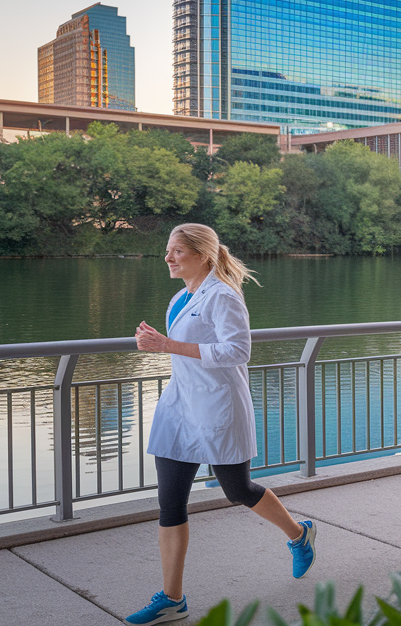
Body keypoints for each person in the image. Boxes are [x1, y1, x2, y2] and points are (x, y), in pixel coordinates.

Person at [126, 224, 316, 625]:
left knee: (238, 489)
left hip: (218, 408)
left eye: (178, 251)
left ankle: (299, 535)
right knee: (170, 502)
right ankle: (173, 598)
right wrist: (155, 342)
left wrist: (167, 344)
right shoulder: (181, 297)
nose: (169, 258)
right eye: (168, 250)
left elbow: (237, 350)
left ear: (203, 255)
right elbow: (185, 350)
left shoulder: (224, 295)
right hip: (180, 408)